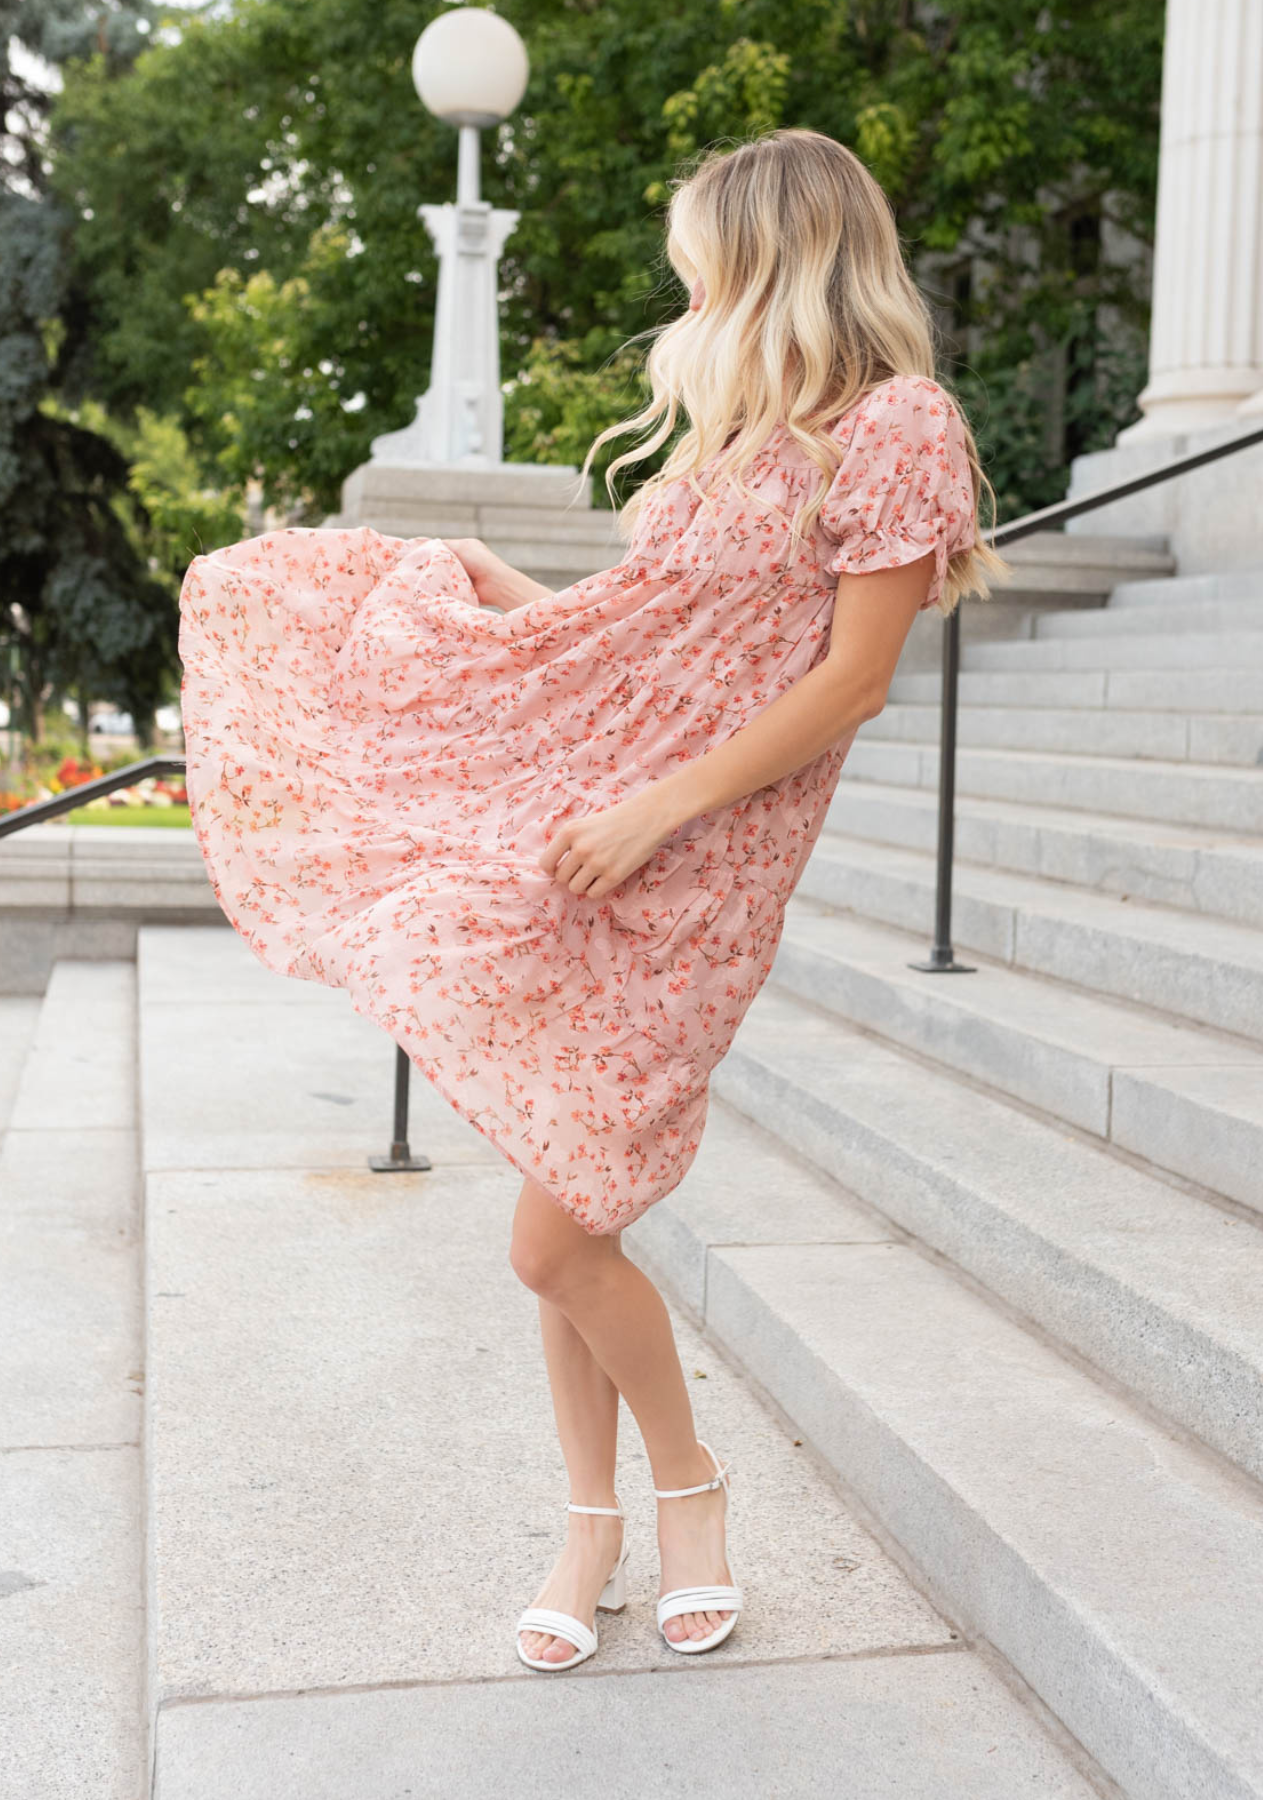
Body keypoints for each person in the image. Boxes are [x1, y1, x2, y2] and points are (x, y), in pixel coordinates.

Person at [177, 125, 1007, 1675]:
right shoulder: (738, 437)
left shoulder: (897, 424)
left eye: (701, 246)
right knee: (563, 1198)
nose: (681, 275)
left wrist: (657, 812)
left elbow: (850, 682)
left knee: (554, 1242)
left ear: (773, 248)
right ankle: (589, 1522)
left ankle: (682, 1498)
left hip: (699, 863)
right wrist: (526, 608)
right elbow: (672, 658)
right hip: (614, 824)